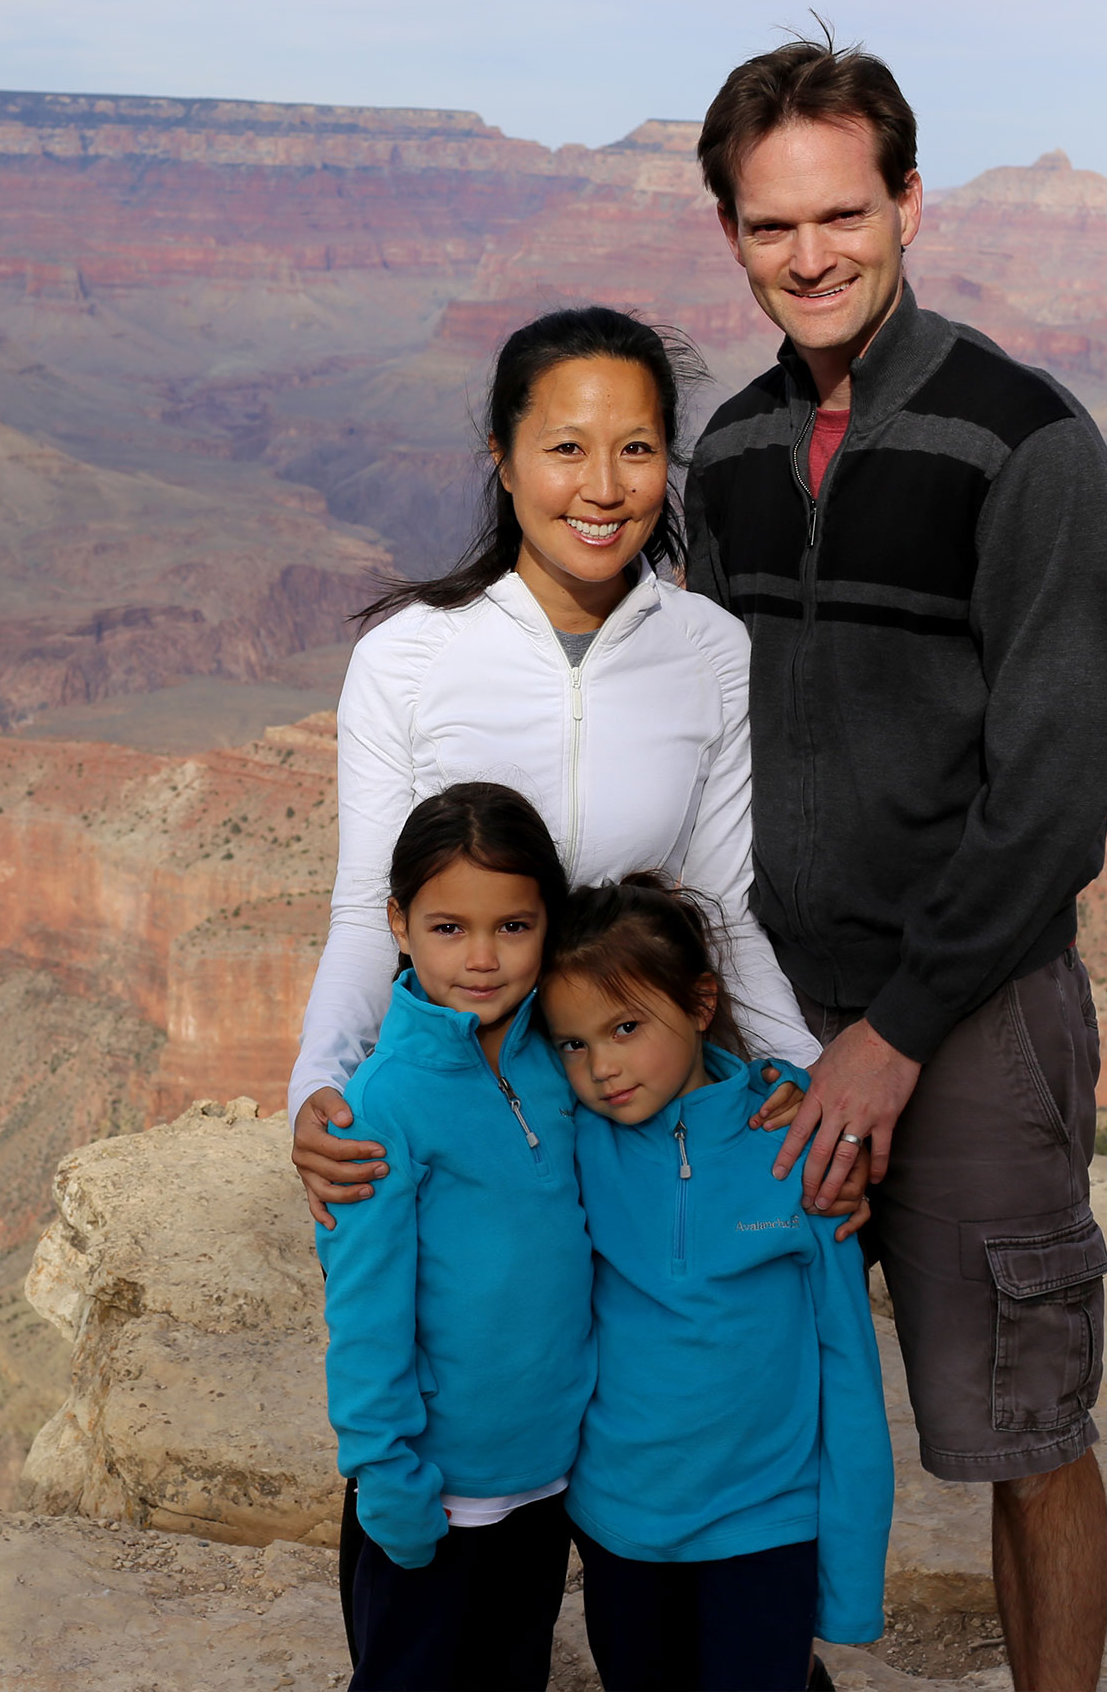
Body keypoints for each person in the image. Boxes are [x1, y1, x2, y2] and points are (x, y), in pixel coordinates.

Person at [681, 34, 1107, 1692]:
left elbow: (1051, 809)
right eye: (770, 225)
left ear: (911, 203)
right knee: (756, 1425)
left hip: (972, 1024)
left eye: (842, 214)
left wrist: (896, 1035)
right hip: (762, 1040)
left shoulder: (1027, 449)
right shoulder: (722, 457)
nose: (811, 255)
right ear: (732, 236)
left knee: (1019, 1426)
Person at [291, 306, 821, 1227]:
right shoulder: (407, 659)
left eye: (638, 450)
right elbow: (368, 911)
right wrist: (319, 1082)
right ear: (503, 457)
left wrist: (798, 1072)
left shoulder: (710, 653)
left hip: (639, 1101)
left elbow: (723, 907)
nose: (605, 489)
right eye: (567, 449)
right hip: (467, 1110)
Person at [542, 874, 892, 1692]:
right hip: (621, 1527)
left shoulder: (797, 1147)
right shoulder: (576, 1147)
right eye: (573, 1043)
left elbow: (847, 1362)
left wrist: (850, 1581)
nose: (602, 1067)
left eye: (627, 1027)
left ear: (701, 1004)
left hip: (765, 1526)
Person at [318, 781, 590, 1691]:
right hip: (428, 1497)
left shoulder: (562, 1061)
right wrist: (387, 1475)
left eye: (513, 927)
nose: (481, 957)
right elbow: (365, 1311)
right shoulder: (385, 1103)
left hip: (542, 1485)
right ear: (398, 922)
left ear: (548, 923)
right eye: (448, 928)